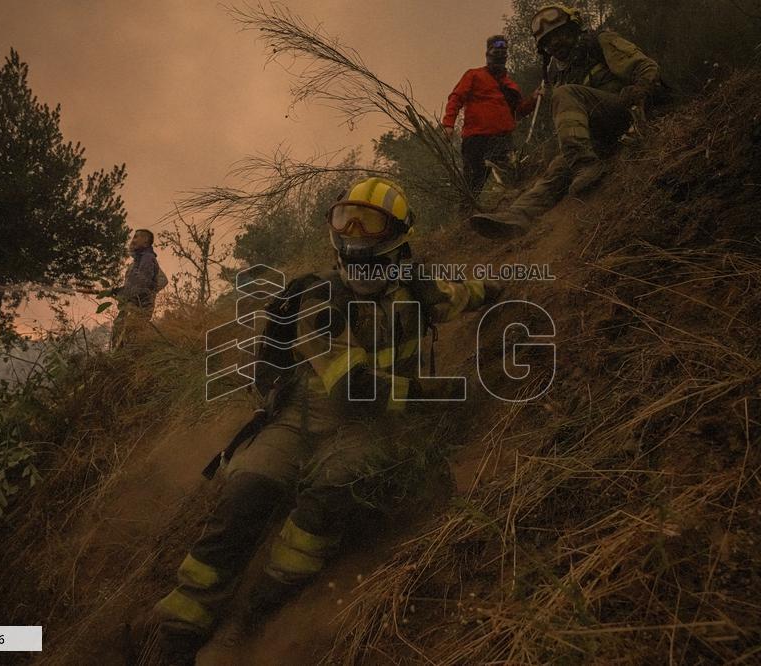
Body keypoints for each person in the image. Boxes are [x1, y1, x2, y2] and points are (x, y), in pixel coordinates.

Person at [146, 177, 501, 664]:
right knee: (247, 489)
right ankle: (175, 637)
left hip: (368, 429)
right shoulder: (316, 299)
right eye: (344, 218)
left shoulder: (419, 288)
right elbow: (354, 388)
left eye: (368, 221)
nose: (353, 231)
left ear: (396, 233)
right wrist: (441, 393)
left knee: (332, 490)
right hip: (305, 417)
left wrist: (496, 288)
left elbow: (457, 296)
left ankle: (255, 614)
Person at [469, 4, 660, 237]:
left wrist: (639, 92)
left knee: (565, 98)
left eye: (559, 35)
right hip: (601, 134)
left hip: (625, 113)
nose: (555, 45)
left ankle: (585, 164)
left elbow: (646, 67)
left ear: (573, 29)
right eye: (548, 43)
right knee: (556, 169)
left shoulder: (599, 42)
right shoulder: (562, 75)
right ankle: (517, 216)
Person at [442, 35, 538, 202]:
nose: (500, 55)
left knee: (512, 178)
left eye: (503, 52)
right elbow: (456, 97)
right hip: (476, 139)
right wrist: (448, 123)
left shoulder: (511, 86)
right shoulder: (474, 75)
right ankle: (467, 216)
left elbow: (518, 112)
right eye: (496, 51)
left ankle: (512, 209)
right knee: (473, 182)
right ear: (488, 54)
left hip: (502, 139)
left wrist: (534, 99)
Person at [108, 228, 162, 350]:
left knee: (131, 340)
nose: (133, 240)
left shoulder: (147, 259)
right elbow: (133, 286)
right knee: (119, 332)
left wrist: (122, 293)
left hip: (139, 307)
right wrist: (116, 291)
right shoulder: (138, 261)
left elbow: (141, 285)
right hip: (131, 306)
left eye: (136, 237)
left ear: (146, 241)